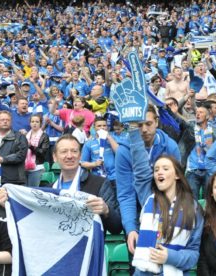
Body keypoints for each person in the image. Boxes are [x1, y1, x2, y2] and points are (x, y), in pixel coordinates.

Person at [0, 134, 122, 235]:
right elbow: (33, 223)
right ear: (55, 157)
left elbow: (116, 228)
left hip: (88, 258)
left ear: (80, 156)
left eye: (74, 151)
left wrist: (107, 211)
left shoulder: (99, 184)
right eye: (64, 152)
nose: (69, 156)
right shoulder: (46, 191)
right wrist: (7, 205)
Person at [115, 105, 182, 254]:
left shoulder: (170, 146)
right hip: (138, 210)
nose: (144, 129)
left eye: (148, 123)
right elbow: (126, 194)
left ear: (157, 122)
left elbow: (177, 187)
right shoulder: (123, 151)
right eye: (139, 125)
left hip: (167, 208)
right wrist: (131, 229)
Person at [131, 153, 203, 275]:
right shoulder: (148, 199)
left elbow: (193, 254)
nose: (159, 172)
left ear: (177, 175)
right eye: (156, 170)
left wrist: (169, 257)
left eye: (165, 169)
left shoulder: (193, 208)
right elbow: (139, 167)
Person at [80, 116, 118, 184]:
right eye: (99, 126)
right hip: (98, 178)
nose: (102, 128)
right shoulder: (89, 144)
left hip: (114, 177)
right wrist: (94, 164)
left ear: (107, 127)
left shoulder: (113, 139)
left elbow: (119, 152)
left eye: (104, 125)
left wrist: (109, 138)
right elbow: (82, 163)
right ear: (94, 128)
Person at [25, 114, 50, 187]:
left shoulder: (44, 136)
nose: (34, 123)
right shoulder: (26, 135)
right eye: (32, 121)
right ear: (30, 123)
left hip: (37, 168)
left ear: (40, 123)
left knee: (32, 191)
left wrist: (31, 146)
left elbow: (43, 153)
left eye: (37, 121)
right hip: (24, 168)